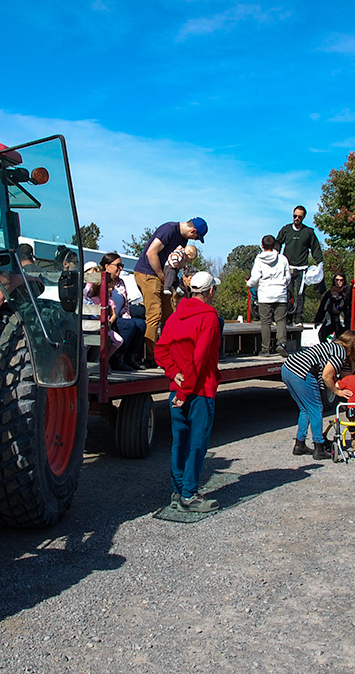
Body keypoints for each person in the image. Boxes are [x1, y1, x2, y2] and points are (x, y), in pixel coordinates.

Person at [155, 270, 221, 513]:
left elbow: (160, 351)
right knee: (196, 443)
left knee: (179, 442)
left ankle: (178, 490)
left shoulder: (175, 316)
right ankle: (189, 494)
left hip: (177, 389)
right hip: (199, 391)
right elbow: (200, 359)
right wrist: (185, 392)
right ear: (210, 291)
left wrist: (174, 374)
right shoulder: (210, 318)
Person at [133, 218, 206, 364]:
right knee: (155, 314)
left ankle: (167, 352)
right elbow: (151, 253)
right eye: (196, 237)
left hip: (163, 276)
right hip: (148, 273)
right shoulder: (169, 229)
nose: (195, 240)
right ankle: (150, 356)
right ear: (193, 231)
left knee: (169, 315)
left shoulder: (183, 239)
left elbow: (176, 261)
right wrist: (161, 275)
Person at [281, 332, 354, 461]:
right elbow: (327, 376)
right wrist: (337, 392)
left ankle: (300, 444)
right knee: (316, 409)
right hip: (301, 372)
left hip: (287, 368)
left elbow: (346, 376)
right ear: (353, 344)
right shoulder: (340, 352)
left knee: (305, 409)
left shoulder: (333, 348)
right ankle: (319, 447)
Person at [274, 205, 324, 325]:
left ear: (304, 217)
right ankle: (288, 317)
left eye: (299, 217)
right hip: (287, 268)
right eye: (295, 216)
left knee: (300, 294)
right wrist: (275, 256)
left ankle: (298, 318)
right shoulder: (286, 230)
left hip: (302, 268)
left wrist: (320, 263)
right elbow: (277, 243)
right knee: (287, 293)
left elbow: (315, 248)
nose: (297, 218)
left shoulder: (308, 232)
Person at [247, 235, 291, 357]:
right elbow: (288, 277)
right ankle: (281, 343)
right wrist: (282, 285)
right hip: (280, 293)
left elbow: (255, 277)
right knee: (281, 320)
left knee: (265, 322)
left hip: (265, 294)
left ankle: (265, 349)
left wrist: (249, 284)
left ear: (262, 245)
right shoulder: (282, 259)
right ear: (274, 246)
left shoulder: (259, 259)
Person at [315, 273, 352, 342]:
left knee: (341, 338)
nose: (339, 282)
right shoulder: (329, 293)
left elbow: (350, 299)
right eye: (337, 280)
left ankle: (340, 351)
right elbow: (323, 306)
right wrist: (318, 319)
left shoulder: (347, 292)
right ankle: (326, 350)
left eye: (341, 280)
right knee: (322, 334)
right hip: (331, 318)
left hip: (342, 319)